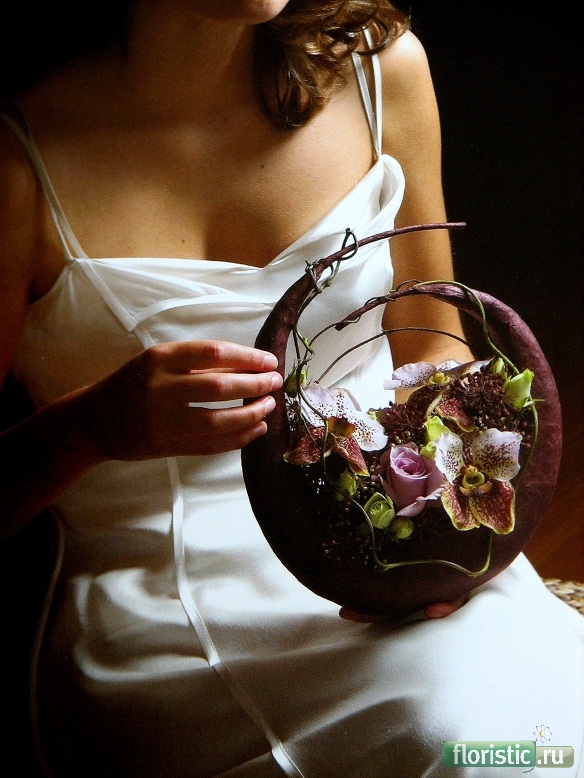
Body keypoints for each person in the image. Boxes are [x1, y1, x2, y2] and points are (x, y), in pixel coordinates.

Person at [0, 1, 582, 776]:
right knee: (445, 736)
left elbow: (430, 337)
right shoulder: (18, 165)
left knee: (537, 736)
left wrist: (454, 539)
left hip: (384, 535)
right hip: (166, 606)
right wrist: (95, 427)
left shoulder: (381, 72)